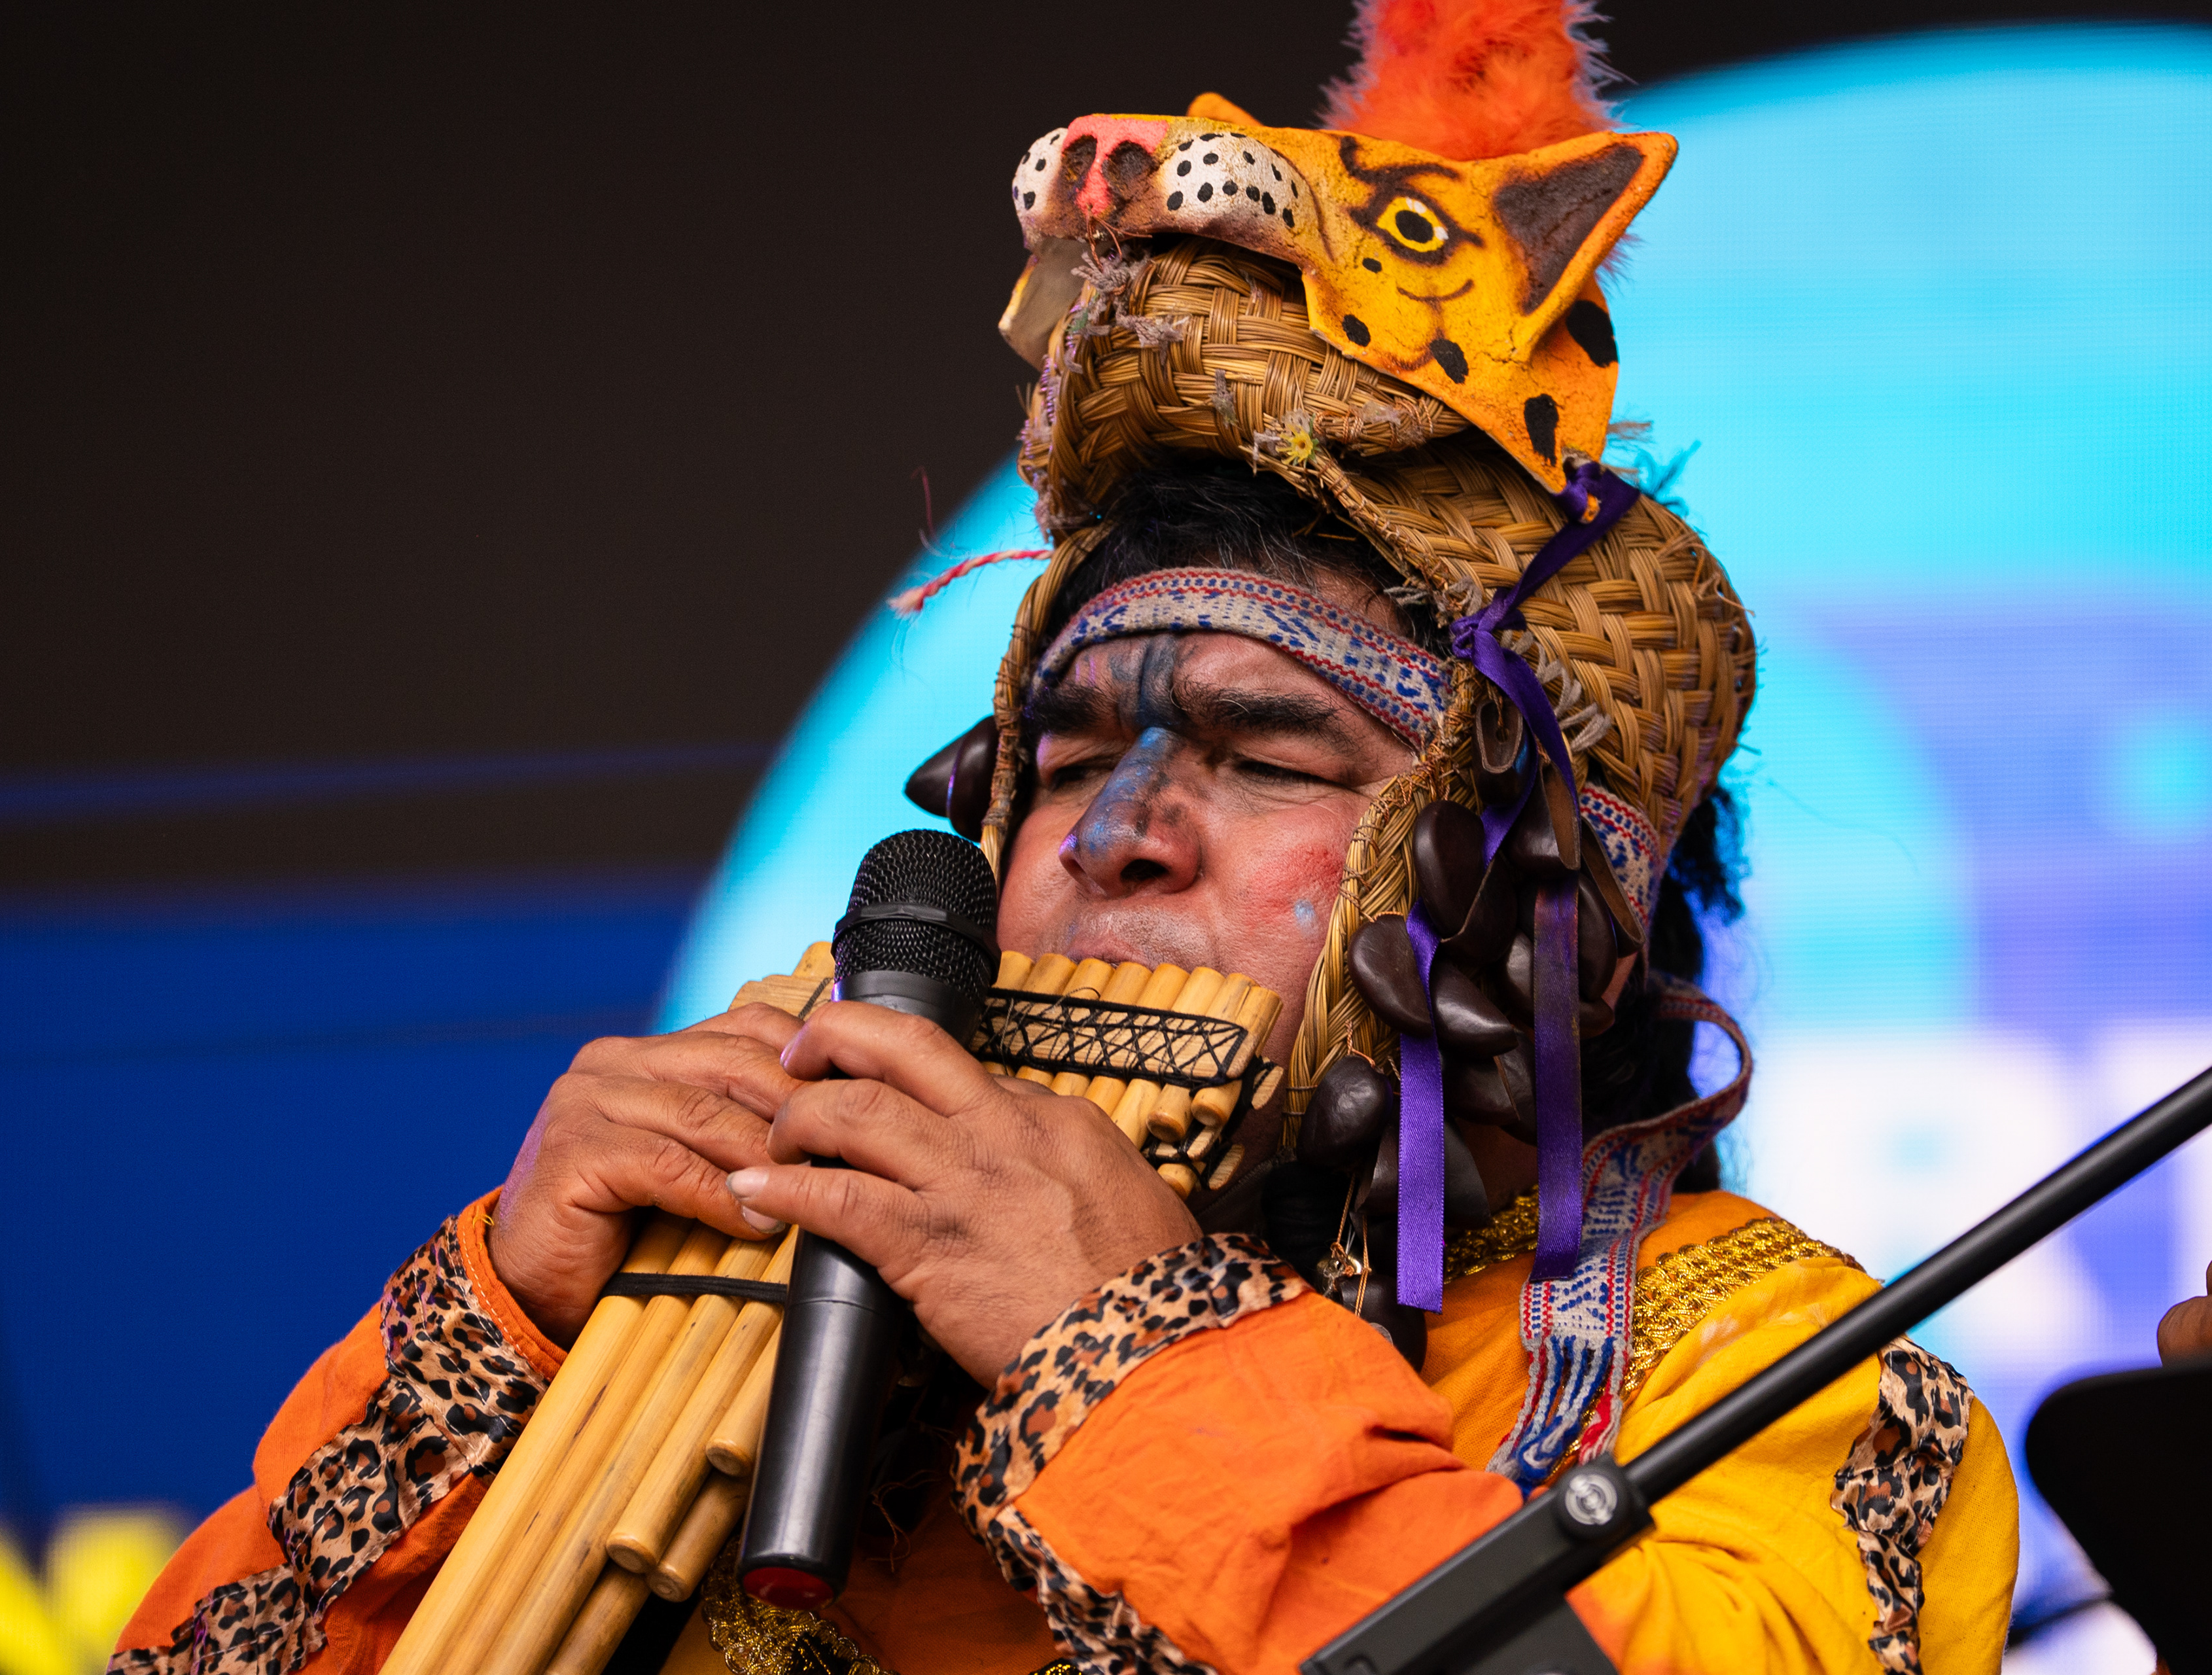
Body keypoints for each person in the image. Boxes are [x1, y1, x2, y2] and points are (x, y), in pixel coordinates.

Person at [116, 5, 2022, 1672]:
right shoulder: (666, 1337)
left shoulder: (1775, 1381)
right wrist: (501, 1351)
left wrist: (1129, 1351)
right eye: (1070, 752)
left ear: (1552, 917)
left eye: (1267, 757)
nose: (1113, 838)